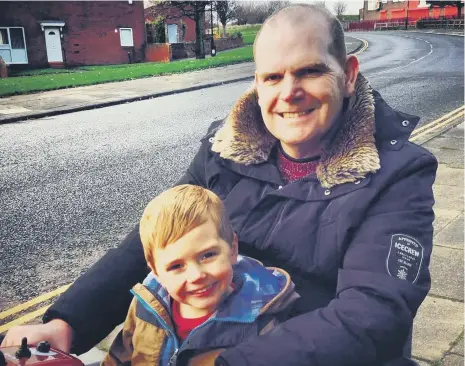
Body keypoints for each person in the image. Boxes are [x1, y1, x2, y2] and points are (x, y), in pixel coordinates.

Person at [2, 4, 437, 365]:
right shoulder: (224, 150)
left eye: (309, 71)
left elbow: (372, 312)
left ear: (349, 74)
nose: (289, 92)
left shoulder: (397, 173)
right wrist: (67, 322)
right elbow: (151, 244)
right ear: (257, 84)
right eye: (272, 77)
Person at [101, 184, 298, 365]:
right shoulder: (146, 305)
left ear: (232, 249)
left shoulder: (262, 324)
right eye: (176, 266)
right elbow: (120, 357)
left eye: (208, 255)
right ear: (156, 272)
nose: (196, 275)